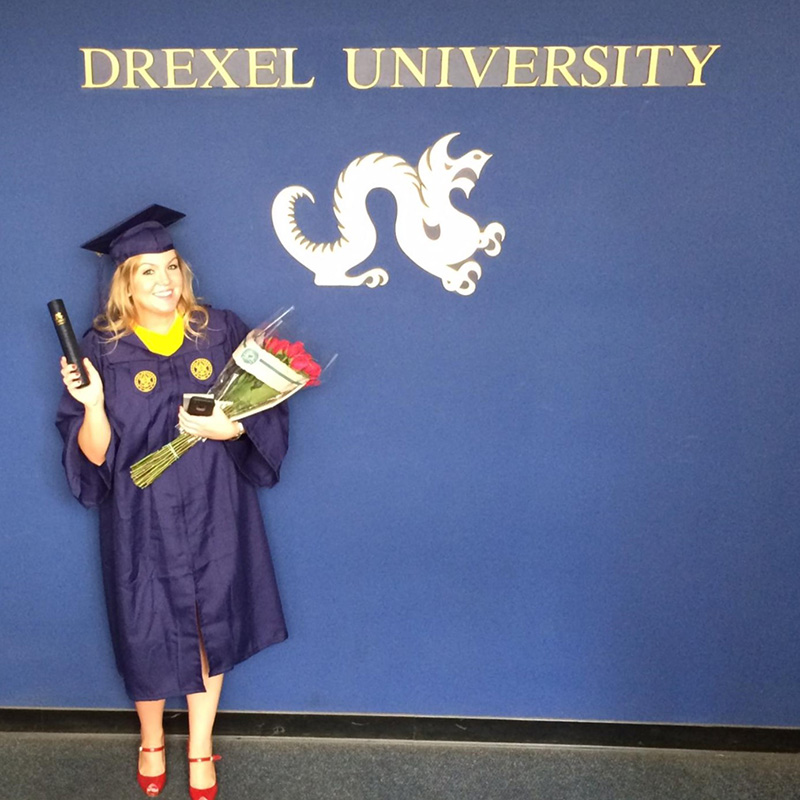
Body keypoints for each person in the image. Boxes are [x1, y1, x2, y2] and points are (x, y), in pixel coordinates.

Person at [56, 205, 290, 800]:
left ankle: (203, 747)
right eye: (146, 271)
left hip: (217, 507)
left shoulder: (221, 330)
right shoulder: (101, 350)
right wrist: (91, 405)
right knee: (146, 628)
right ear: (124, 284)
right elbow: (95, 455)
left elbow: (264, 414)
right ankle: (153, 739)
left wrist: (229, 431)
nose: (165, 280)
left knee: (210, 625)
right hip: (142, 515)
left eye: (171, 266)